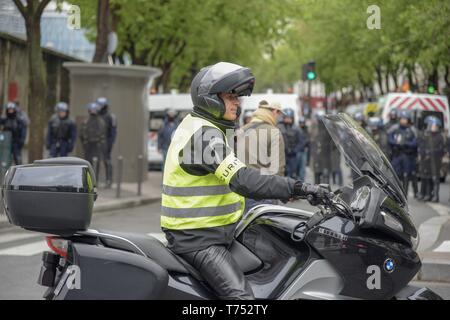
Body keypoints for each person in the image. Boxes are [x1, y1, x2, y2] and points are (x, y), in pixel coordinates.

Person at [161, 62, 330, 300]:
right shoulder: (203, 134)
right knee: (242, 300)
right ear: (210, 98)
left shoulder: (209, 127)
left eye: (238, 97)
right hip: (197, 239)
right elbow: (242, 179)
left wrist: (285, 190)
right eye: (231, 96)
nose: (237, 103)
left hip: (217, 232)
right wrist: (299, 187)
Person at [238, 101, 286, 211]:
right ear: (274, 111)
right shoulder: (274, 132)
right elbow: (278, 170)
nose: (279, 118)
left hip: (241, 194)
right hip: (265, 194)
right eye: (279, 114)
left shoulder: (240, 131)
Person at [388, 110, 419, 197]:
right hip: (397, 155)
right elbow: (389, 139)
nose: (403, 120)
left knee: (406, 175)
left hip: (407, 156)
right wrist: (396, 143)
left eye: (405, 119)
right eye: (402, 118)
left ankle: (405, 195)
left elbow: (415, 143)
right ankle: (394, 194)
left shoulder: (412, 129)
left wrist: (405, 143)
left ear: (408, 119)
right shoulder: (394, 128)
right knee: (395, 175)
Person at [417, 116, 445, 202]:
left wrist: (431, 151)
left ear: (437, 127)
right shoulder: (426, 135)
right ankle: (427, 194)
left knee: (435, 178)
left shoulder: (440, 136)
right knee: (426, 177)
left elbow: (441, 149)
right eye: (431, 125)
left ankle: (435, 196)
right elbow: (421, 145)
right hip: (426, 160)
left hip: (436, 161)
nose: (432, 127)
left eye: (434, 126)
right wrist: (424, 152)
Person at [79, 102, 107, 181]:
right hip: (88, 146)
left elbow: (103, 135)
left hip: (97, 145)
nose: (93, 112)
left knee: (96, 163)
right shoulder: (86, 121)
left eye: (95, 110)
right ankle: (87, 181)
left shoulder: (101, 122)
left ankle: (95, 180)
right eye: (92, 110)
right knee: (88, 163)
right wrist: (85, 143)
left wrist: (101, 144)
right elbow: (81, 134)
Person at [96, 97, 117, 188]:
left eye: (100, 105)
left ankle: (109, 180)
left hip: (106, 142)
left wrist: (110, 144)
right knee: (95, 161)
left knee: (107, 161)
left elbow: (113, 133)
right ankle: (95, 180)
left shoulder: (110, 116)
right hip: (96, 142)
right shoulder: (96, 115)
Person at [278, 108, 303, 179]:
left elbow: (301, 142)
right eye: (286, 118)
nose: (288, 120)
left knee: (293, 175)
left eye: (289, 118)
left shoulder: (297, 129)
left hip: (293, 156)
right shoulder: (279, 128)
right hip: (282, 155)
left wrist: (294, 150)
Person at [310, 110, 332, 184]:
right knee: (318, 176)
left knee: (323, 176)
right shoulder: (315, 127)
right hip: (319, 156)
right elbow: (312, 141)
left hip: (324, 156)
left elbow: (331, 143)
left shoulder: (327, 129)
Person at [297, 117, 310, 182]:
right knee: (297, 166)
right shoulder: (296, 129)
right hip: (297, 151)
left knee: (302, 167)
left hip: (304, 150)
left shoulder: (306, 130)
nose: (301, 124)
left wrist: (305, 142)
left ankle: (302, 181)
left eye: (302, 123)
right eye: (300, 123)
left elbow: (308, 139)